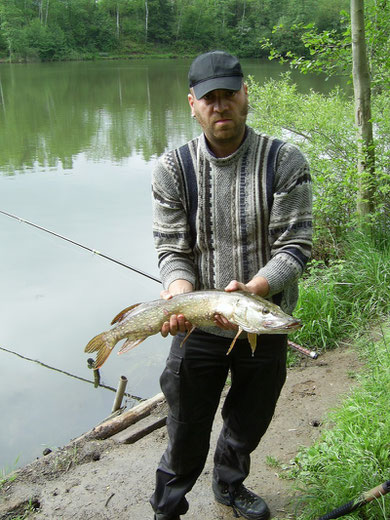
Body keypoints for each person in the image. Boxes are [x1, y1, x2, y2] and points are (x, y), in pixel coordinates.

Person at [150, 50, 313, 520]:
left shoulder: (284, 161)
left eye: (228, 95)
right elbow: (172, 250)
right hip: (196, 324)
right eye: (209, 99)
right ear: (192, 104)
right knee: (184, 428)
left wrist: (257, 289)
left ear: (246, 95)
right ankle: (168, 506)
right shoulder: (172, 169)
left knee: (249, 418)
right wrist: (179, 293)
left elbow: (295, 246)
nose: (220, 106)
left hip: (262, 319)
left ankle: (229, 484)